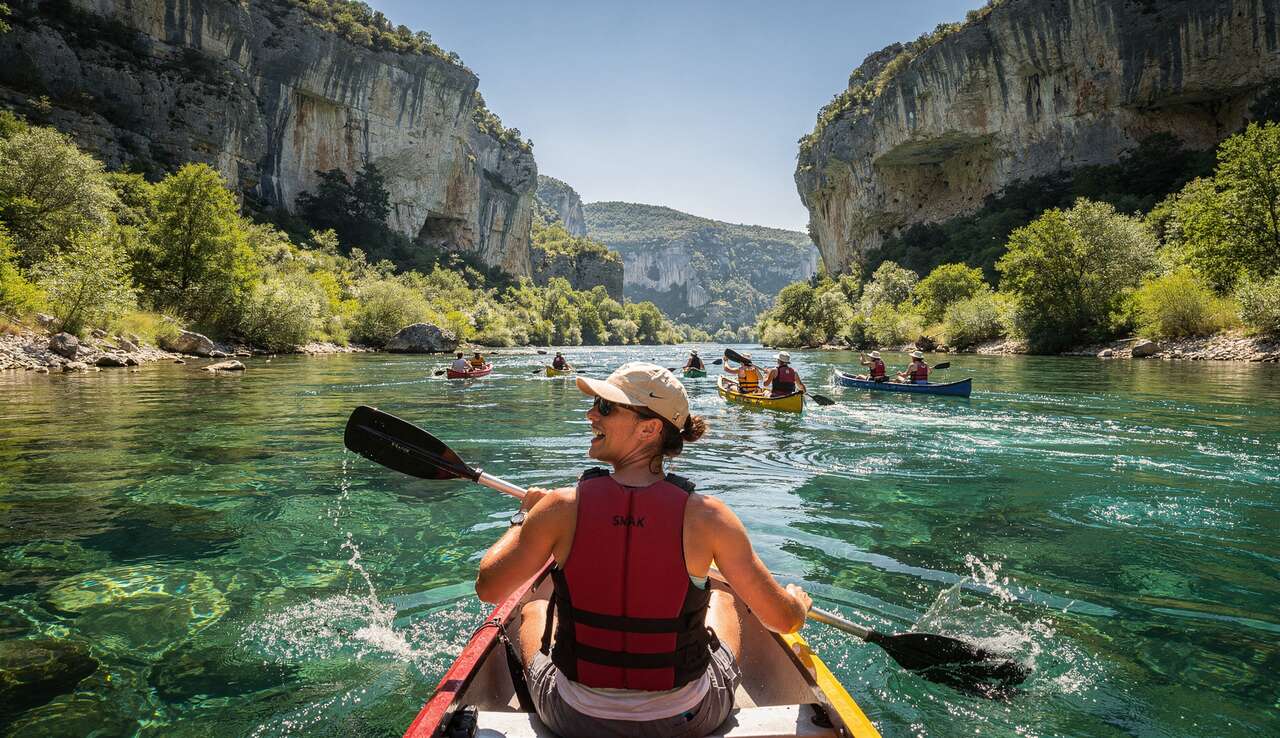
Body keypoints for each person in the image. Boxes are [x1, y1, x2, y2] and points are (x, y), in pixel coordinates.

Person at [475, 363, 812, 738]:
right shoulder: (711, 518)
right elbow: (784, 621)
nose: (590, 414)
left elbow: (489, 587)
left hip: (573, 718)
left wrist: (525, 516)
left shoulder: (559, 508)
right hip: (687, 719)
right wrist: (798, 603)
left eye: (605, 407)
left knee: (535, 606)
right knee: (724, 600)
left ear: (650, 429)